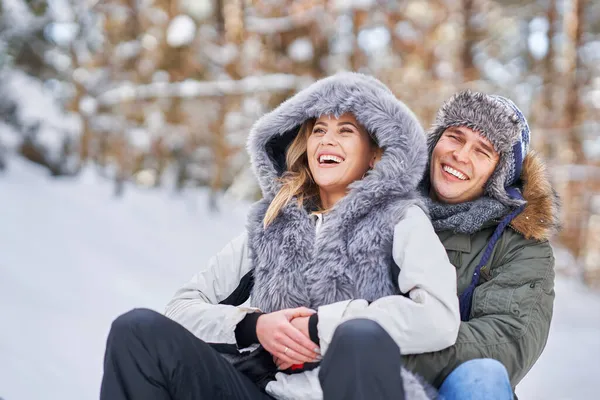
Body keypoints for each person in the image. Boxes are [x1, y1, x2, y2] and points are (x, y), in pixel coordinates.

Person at [99, 72, 460, 400]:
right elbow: (181, 309)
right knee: (137, 331)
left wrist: (321, 326)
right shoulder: (273, 224)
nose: (327, 141)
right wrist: (255, 327)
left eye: (346, 131)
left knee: (359, 337)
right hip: (262, 390)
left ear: (374, 154)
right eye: (319, 129)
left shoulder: (401, 218)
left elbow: (439, 318)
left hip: (350, 389)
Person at [402, 91, 560, 400]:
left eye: (483, 151)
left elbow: (506, 342)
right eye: (455, 137)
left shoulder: (521, 245)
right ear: (435, 142)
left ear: (500, 175)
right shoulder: (383, 207)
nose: (460, 156)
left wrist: (384, 344)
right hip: (353, 373)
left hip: (448, 387)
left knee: (482, 375)